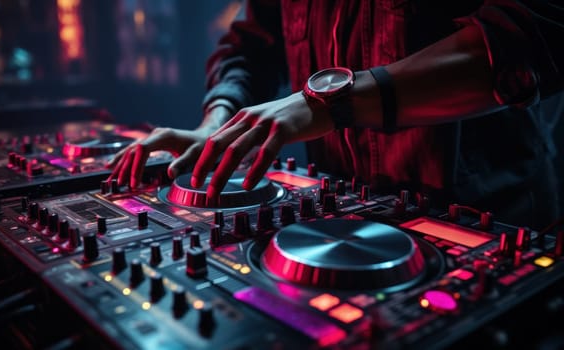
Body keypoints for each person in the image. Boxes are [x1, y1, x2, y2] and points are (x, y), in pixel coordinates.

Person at [108, 1, 564, 230]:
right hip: (339, 228)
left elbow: (532, 30)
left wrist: (329, 103)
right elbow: (249, 49)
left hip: (490, 218)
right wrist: (216, 124)